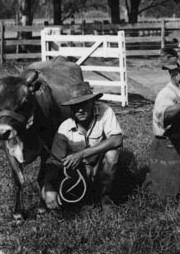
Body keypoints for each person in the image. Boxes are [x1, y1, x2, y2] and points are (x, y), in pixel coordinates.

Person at [42, 82, 123, 210]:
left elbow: (117, 139)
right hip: (78, 170)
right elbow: (54, 161)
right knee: (56, 194)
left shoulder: (105, 111)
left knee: (112, 155)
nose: (80, 110)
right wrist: (48, 187)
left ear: (93, 103)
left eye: (84, 104)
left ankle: (105, 197)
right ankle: (84, 196)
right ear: (71, 108)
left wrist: (81, 154)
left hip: (100, 164)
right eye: (75, 106)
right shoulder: (65, 128)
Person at [144, 63, 180, 200]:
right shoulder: (167, 94)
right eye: (178, 72)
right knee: (166, 194)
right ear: (171, 74)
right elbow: (164, 115)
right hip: (167, 146)